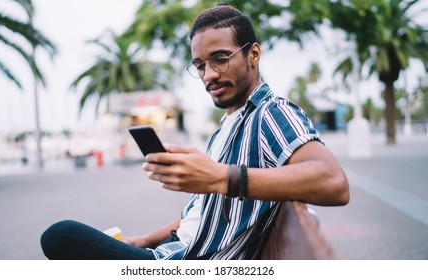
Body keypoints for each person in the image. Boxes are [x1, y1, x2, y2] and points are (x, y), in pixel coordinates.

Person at [40, 2, 349, 260]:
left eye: (220, 59)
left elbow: (334, 183)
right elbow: (201, 213)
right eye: (200, 65)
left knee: (59, 236)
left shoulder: (270, 113)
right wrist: (145, 240)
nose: (208, 76)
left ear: (253, 54)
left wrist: (220, 177)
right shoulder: (227, 127)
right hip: (175, 254)